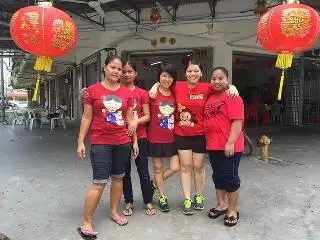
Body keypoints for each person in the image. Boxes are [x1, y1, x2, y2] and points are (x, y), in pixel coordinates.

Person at [149, 60, 238, 215]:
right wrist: (155, 85)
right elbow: (164, 83)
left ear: (201, 73)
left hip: (200, 135)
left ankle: (199, 196)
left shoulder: (207, 87)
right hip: (181, 134)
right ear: (185, 73)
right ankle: (188, 199)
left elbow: (221, 85)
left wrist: (232, 86)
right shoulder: (178, 86)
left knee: (199, 167)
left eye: (196, 71)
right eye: (190, 71)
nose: (193, 74)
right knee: (185, 167)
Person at [76, 55, 138, 239]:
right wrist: (80, 141)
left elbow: (129, 120)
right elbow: (86, 117)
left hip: (122, 142)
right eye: (113, 67)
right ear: (104, 68)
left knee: (118, 179)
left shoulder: (127, 93)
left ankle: (114, 212)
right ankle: (86, 222)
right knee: (99, 182)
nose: (116, 71)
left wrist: (134, 141)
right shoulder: (92, 91)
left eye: (119, 69)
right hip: (100, 142)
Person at [204, 67, 244, 227]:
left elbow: (237, 121)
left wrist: (230, 142)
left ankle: (232, 210)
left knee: (230, 177)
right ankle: (221, 205)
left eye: (221, 78)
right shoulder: (210, 97)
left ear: (227, 80)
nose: (217, 81)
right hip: (213, 145)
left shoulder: (232, 96)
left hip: (229, 146)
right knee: (218, 176)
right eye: (214, 78)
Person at [120, 61, 157, 216]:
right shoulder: (117, 91)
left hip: (141, 137)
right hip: (121, 138)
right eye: (124, 71)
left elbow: (148, 116)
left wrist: (135, 121)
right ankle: (129, 201)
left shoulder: (142, 93)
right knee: (124, 172)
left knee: (143, 171)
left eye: (130, 71)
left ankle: (148, 201)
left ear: (136, 74)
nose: (127, 74)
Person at [148, 63, 180, 212]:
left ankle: (153, 184)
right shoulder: (152, 94)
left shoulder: (175, 92)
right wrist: (154, 86)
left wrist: (230, 87)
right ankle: (162, 197)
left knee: (175, 167)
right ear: (159, 77)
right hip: (155, 138)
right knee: (158, 168)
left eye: (170, 76)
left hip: (172, 138)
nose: (166, 79)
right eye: (163, 75)